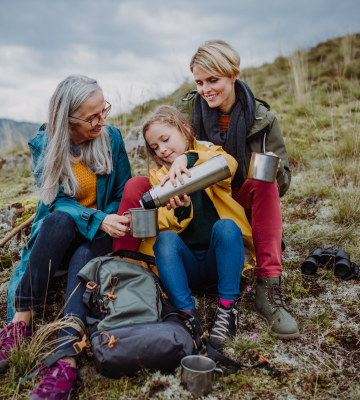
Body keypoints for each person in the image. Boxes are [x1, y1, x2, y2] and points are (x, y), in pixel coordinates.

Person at [114, 40, 299, 340]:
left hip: (235, 196)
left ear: (233, 74)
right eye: (199, 81)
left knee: (259, 191)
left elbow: (234, 165)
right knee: (140, 189)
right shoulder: (186, 109)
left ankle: (268, 286)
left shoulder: (262, 119)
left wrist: (274, 171)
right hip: (195, 209)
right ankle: (124, 271)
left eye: (213, 80)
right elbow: (166, 143)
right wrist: (176, 191)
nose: (205, 89)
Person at [0, 75, 132, 400]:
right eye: (92, 117)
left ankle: (66, 357)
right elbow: (57, 200)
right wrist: (95, 218)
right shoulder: (45, 145)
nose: (102, 121)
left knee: (85, 257)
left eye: (104, 110)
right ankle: (22, 323)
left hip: (99, 235)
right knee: (57, 220)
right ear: (67, 121)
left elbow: (123, 191)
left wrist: (104, 220)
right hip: (64, 231)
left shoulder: (111, 138)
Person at [137, 105, 255, 349]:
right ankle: (187, 315)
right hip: (185, 266)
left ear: (186, 130)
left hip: (219, 261)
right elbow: (162, 221)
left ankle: (226, 310)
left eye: (166, 139)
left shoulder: (210, 153)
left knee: (226, 227)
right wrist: (180, 209)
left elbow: (229, 165)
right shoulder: (160, 177)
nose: (163, 150)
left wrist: (186, 158)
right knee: (165, 241)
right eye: (155, 147)